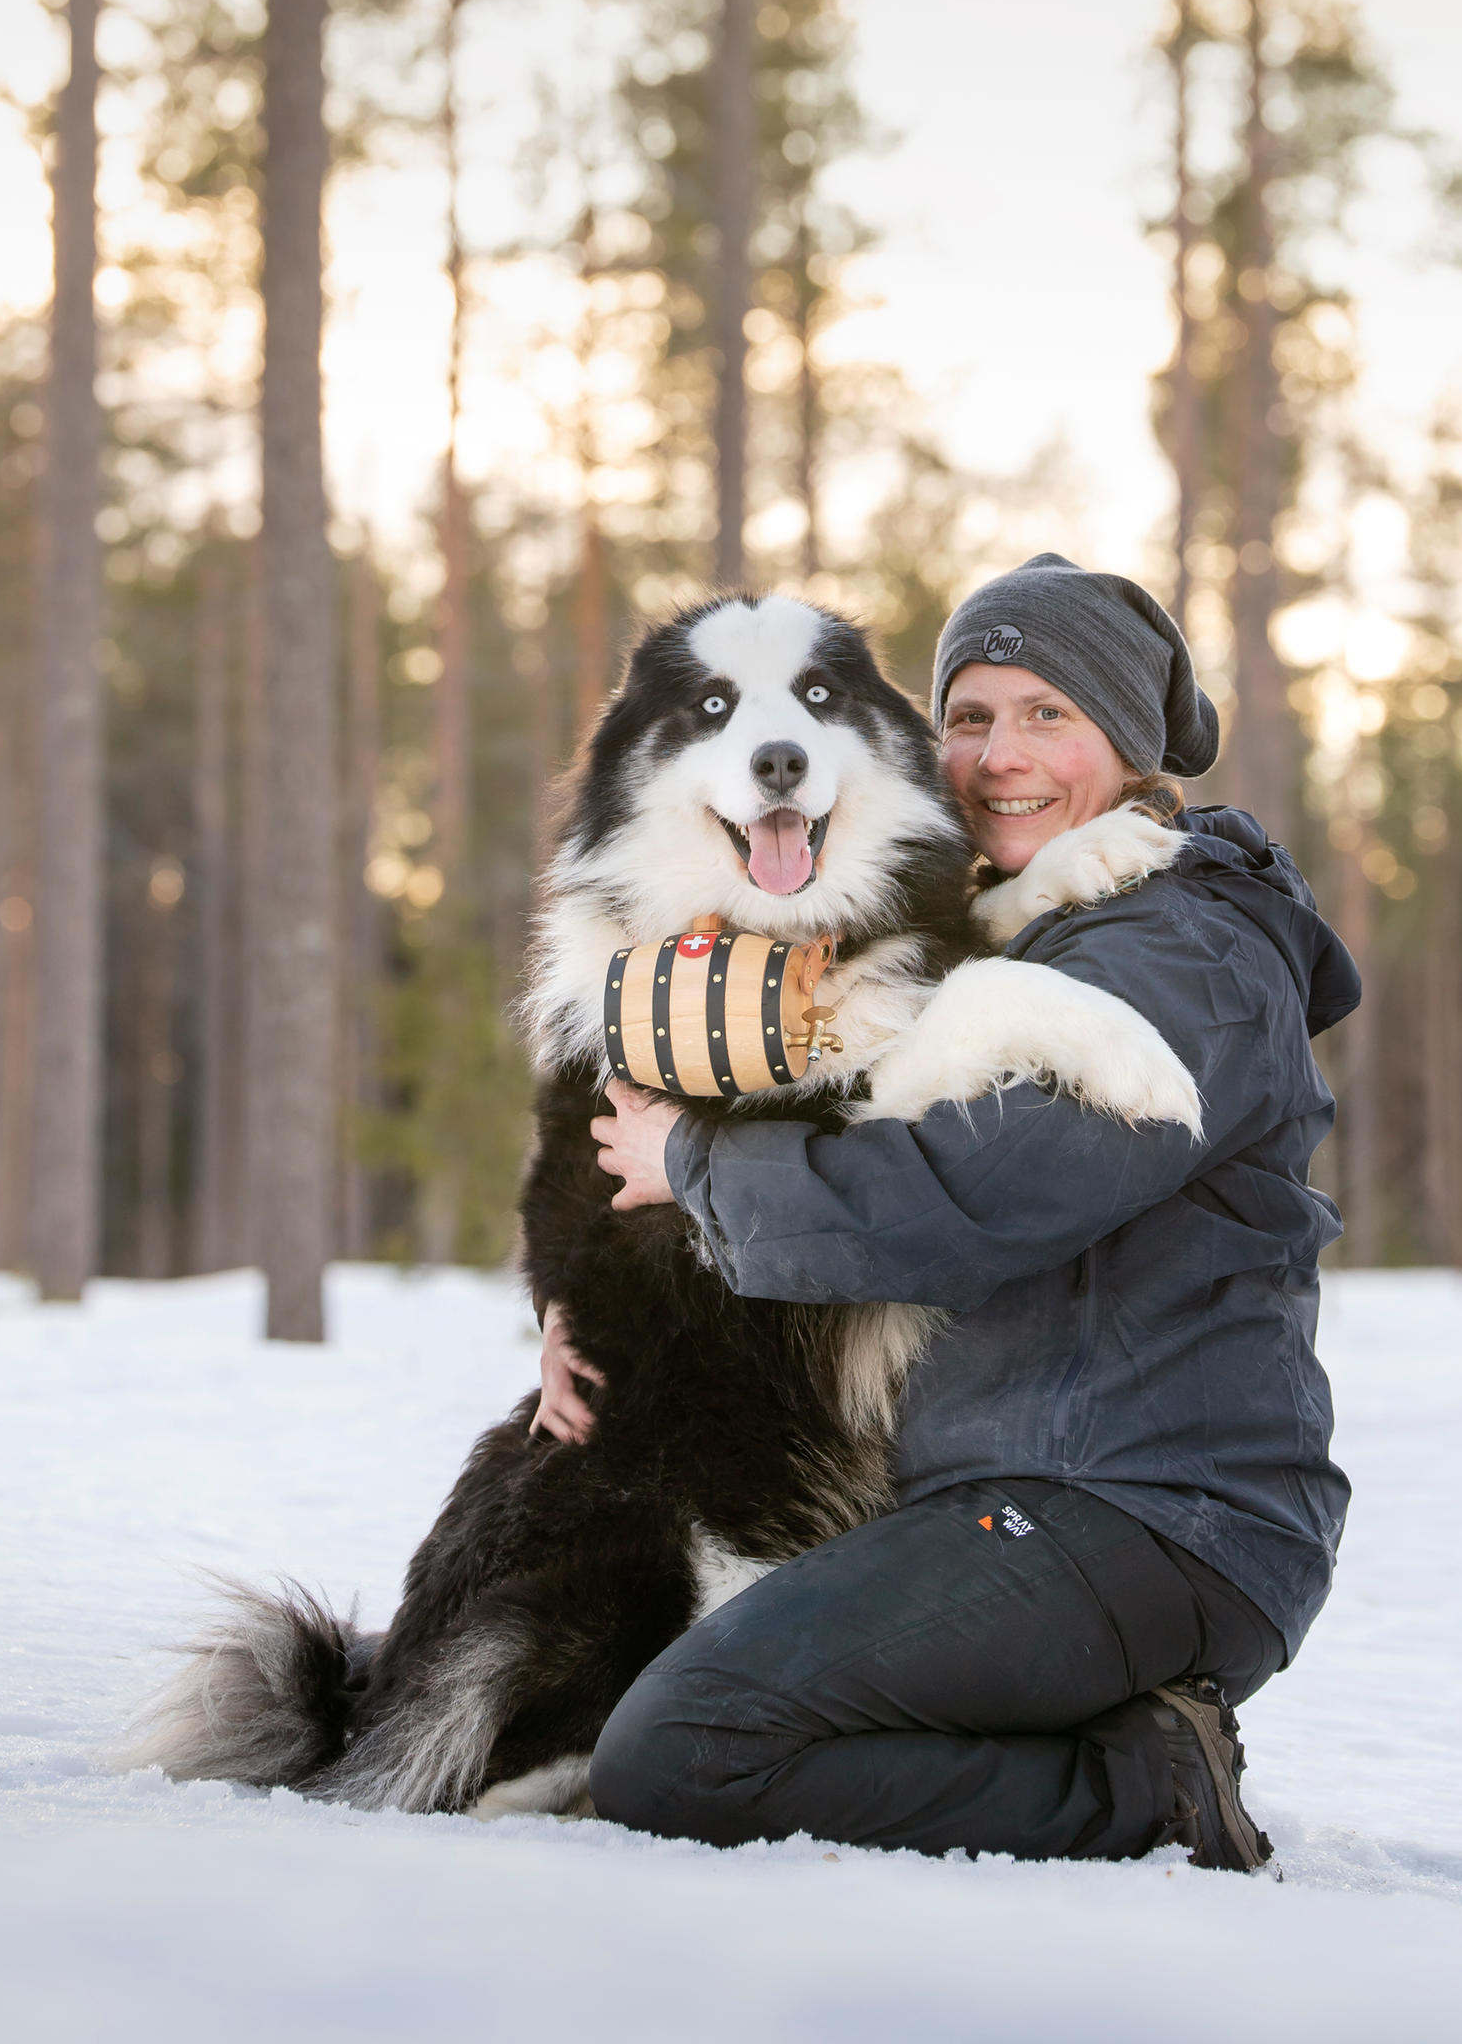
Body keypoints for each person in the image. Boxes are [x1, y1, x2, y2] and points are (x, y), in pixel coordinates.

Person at [537, 553, 1358, 1869]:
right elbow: (805, 1119)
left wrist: (694, 1171)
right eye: (969, 717)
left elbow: (964, 1202)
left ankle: (1145, 1788)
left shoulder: (1183, 947)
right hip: (1010, 1501)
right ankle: (1105, 1753)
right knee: (671, 1709)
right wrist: (600, 1302)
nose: (997, 757)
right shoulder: (1005, 932)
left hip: (1149, 1512)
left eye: (1050, 715)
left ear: (1133, 748)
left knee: (688, 1750)